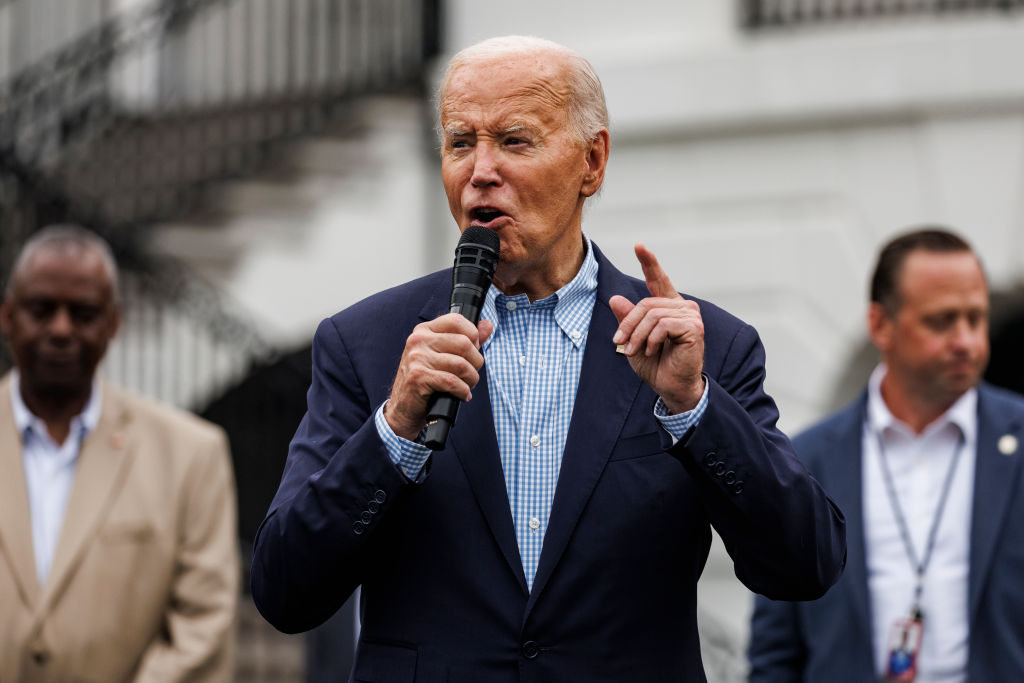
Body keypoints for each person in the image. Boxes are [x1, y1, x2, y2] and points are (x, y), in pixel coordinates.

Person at [252, 35, 845, 682]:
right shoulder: (366, 343)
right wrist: (393, 431)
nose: (480, 169)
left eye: (513, 141)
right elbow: (286, 590)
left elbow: (806, 563)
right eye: (459, 142)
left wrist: (694, 406)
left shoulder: (700, 347)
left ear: (593, 161)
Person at [748, 228, 1024, 682]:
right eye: (942, 321)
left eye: (976, 319)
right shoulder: (806, 461)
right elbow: (775, 652)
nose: (966, 342)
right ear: (880, 325)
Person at [0, 225, 240, 682]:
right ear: (8, 316)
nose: (61, 329)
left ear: (113, 324)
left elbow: (203, 628)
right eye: (41, 309)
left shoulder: (190, 455)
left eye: (83, 313)